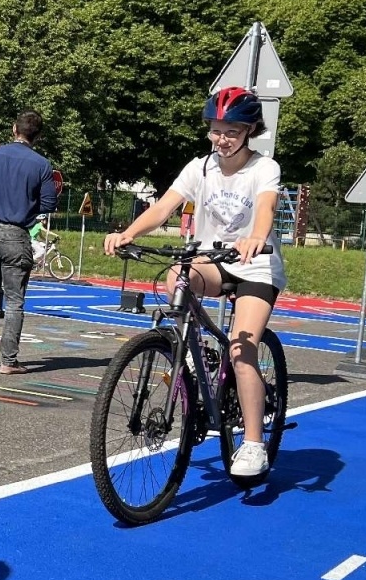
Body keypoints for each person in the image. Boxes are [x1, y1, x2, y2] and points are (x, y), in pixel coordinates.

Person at [103, 87, 285, 480]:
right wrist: (128, 233)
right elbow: (164, 206)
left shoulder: (263, 168)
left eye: (233, 131)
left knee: (242, 350)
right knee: (176, 275)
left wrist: (256, 237)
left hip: (255, 266)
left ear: (251, 130)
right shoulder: (200, 167)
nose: (223, 139)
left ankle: (253, 442)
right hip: (213, 260)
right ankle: (194, 348)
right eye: (216, 130)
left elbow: (266, 207)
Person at [0, 111, 58, 374]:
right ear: (38, 136)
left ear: (14, 128)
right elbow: (49, 203)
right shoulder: (41, 165)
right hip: (16, 234)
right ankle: (8, 361)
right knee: (15, 299)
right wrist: (25, 205)